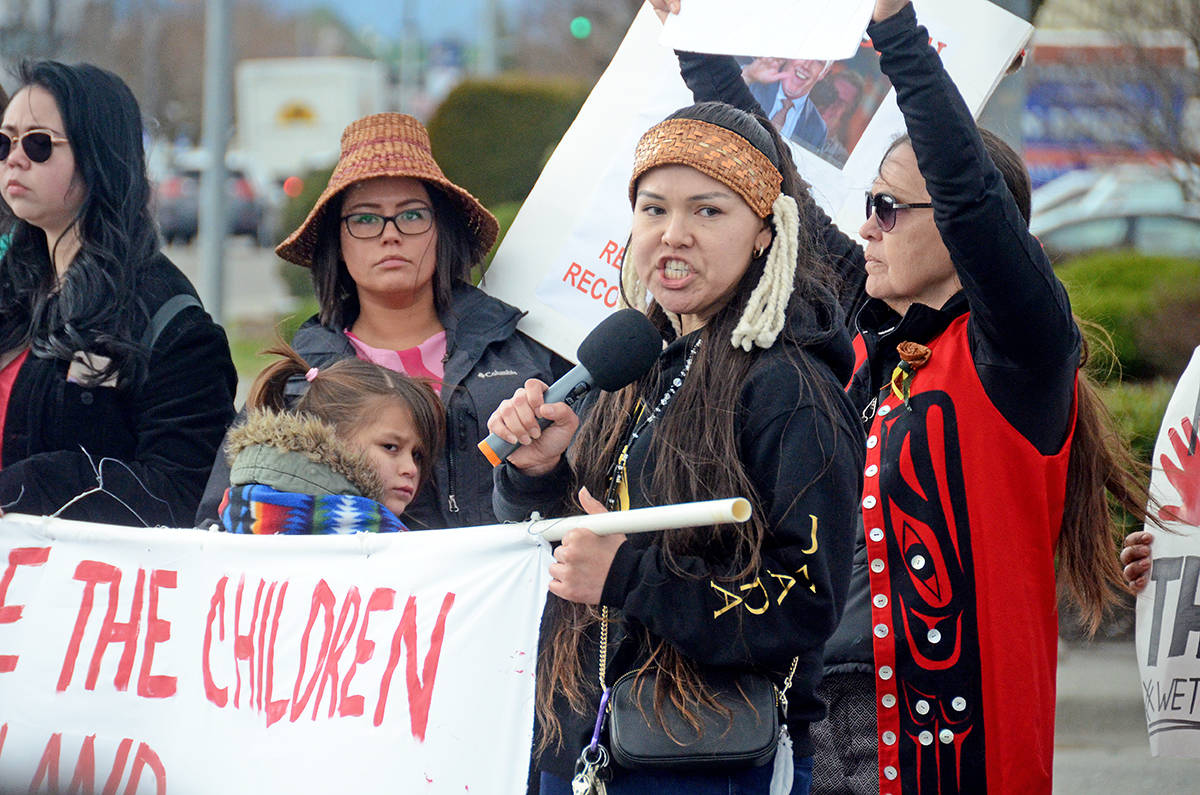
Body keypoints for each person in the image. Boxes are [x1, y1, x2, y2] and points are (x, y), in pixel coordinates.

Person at [651, 0, 1154, 792]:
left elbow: (968, 193)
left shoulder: (1019, 357)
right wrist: (699, 43)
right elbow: (777, 181)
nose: (867, 228)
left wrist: (898, 31)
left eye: (887, 207)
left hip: (952, 748)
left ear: (959, 232)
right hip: (819, 718)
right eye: (867, 207)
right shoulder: (862, 333)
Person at [487, 100, 864, 794]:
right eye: (653, 209)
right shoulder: (631, 367)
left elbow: (806, 602)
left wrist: (630, 575)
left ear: (764, 232)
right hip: (582, 738)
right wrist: (540, 479)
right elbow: (574, 564)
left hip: (713, 759)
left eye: (709, 211)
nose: (674, 234)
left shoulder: (792, 387)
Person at [195, 112, 570, 530]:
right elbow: (224, 523)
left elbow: (593, 496)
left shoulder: (527, 357)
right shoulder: (297, 381)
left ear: (441, 230)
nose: (390, 234)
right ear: (336, 244)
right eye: (365, 219)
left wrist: (538, 472)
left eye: (412, 215)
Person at [0, 60, 235, 526]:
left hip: (80, 588)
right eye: (4, 142)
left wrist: (38, 484)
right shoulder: (14, 286)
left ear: (98, 155)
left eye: (39, 143)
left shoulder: (168, 317)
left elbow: (182, 491)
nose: (14, 158)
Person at [219, 343, 444, 535]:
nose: (411, 469)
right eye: (391, 447)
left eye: (417, 455)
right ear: (333, 440)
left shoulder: (237, 508)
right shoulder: (373, 530)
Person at [742, 57, 832, 150]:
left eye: (818, 61)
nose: (806, 66)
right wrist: (748, 76)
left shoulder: (818, 130)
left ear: (824, 72)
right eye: (804, 54)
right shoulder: (753, 79)